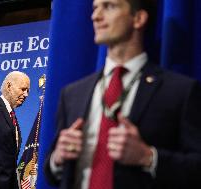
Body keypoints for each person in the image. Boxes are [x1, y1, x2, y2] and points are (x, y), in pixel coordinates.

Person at [44, 0, 201, 188]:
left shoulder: (179, 90)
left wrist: (148, 157)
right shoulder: (72, 94)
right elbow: (53, 175)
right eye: (95, 8)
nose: (96, 16)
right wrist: (58, 158)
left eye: (109, 6)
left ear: (138, 18)